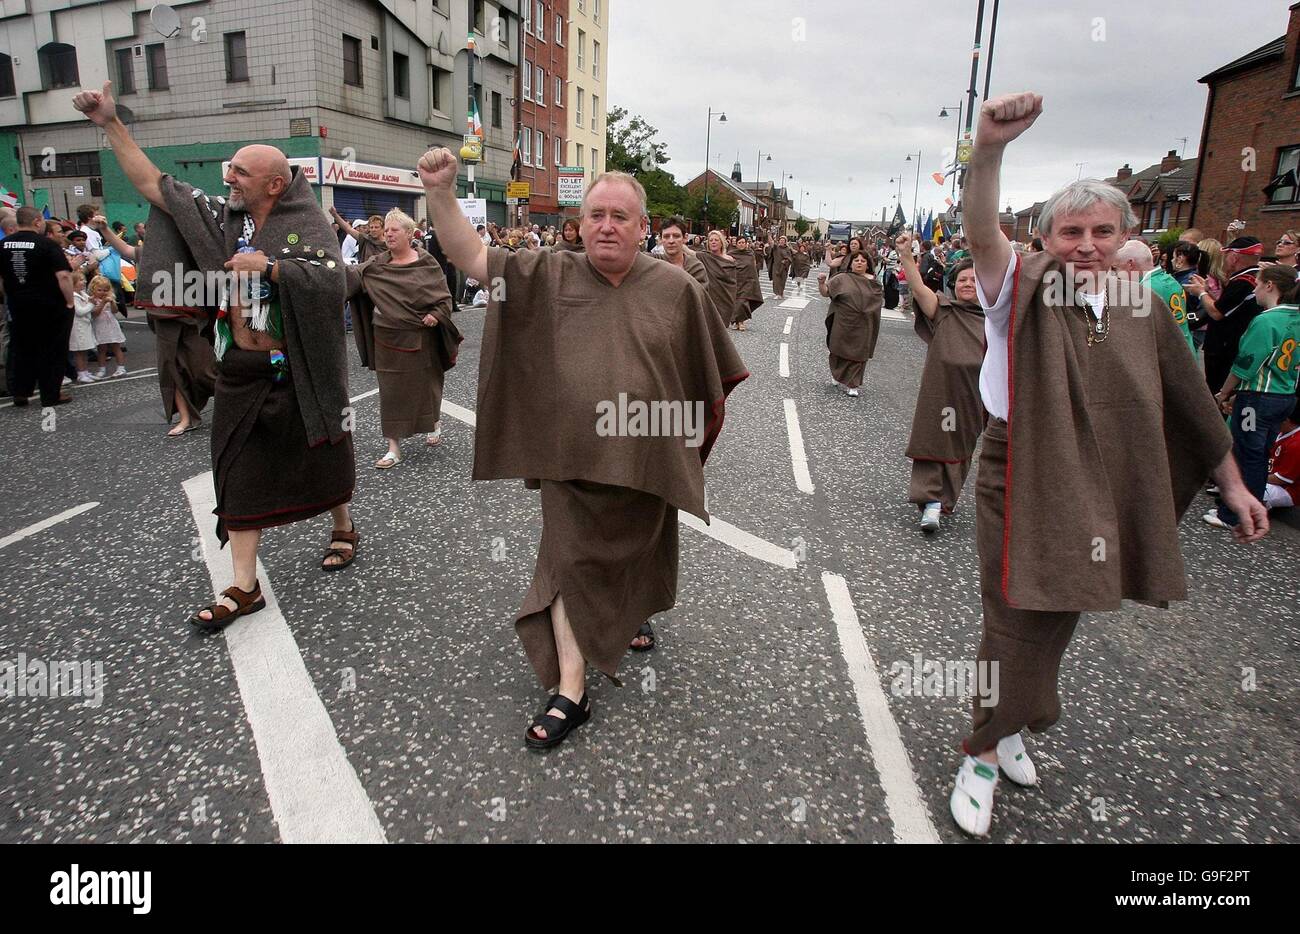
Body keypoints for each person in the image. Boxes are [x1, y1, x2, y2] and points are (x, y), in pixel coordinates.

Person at [952, 91, 1265, 839]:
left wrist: (1233, 486)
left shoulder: (1140, 306)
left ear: (1124, 236)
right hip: (1019, 470)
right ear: (1045, 236)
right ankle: (984, 751)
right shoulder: (1015, 288)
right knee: (1017, 610)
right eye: (1069, 230)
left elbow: (1190, 402)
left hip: (1103, 475)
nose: (1085, 244)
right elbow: (979, 232)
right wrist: (988, 150)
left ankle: (1017, 718)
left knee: (1063, 608)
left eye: (1100, 230)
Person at [418, 149, 748, 749]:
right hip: (569, 457)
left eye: (621, 216)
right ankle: (571, 688)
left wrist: (680, 448)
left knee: (632, 554)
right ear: (581, 219)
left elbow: (708, 381)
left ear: (642, 228)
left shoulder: (676, 289)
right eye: (596, 213)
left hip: (645, 459)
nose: (606, 225)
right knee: (569, 561)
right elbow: (470, 258)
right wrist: (440, 192)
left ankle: (626, 614)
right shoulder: (548, 272)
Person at [75, 79, 357, 628]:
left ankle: (343, 524)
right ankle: (243, 586)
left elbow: (335, 282)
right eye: (230, 169)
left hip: (300, 369)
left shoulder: (307, 223)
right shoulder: (221, 221)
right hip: (241, 369)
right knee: (237, 469)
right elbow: (158, 186)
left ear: (274, 184)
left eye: (240, 172)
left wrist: (273, 269)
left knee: (324, 449)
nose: (228, 177)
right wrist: (110, 123)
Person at [347, 208, 462, 468]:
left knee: (427, 384)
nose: (388, 233)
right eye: (386, 230)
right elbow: (350, 279)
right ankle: (393, 448)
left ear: (409, 234)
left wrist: (436, 313)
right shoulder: (376, 265)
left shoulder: (427, 263)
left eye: (394, 229)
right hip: (386, 338)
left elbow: (443, 297)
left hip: (421, 338)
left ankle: (433, 421)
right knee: (390, 393)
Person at [896, 235, 986, 533]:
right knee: (933, 440)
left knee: (961, 447)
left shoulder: (995, 321)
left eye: (974, 280)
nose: (967, 284)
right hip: (939, 393)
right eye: (962, 280)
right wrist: (906, 256)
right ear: (953, 284)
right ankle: (930, 501)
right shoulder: (943, 309)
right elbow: (919, 289)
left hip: (973, 398)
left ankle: (945, 499)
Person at [97, 214, 215, 435]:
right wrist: (104, 230)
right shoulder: (147, 253)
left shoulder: (190, 248)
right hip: (162, 319)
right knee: (171, 370)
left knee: (205, 369)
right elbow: (125, 250)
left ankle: (235, 405)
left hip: (193, 319)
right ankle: (187, 419)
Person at [1204, 264, 1300, 528]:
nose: (1254, 289)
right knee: (1260, 453)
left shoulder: (1267, 320)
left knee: (1246, 453)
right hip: (1284, 396)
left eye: (1258, 283)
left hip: (1258, 398)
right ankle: (1253, 509)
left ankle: (1235, 513)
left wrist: (1224, 393)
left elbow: (1246, 364)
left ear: (1270, 286)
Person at [0, 206, 75, 407]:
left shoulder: (4, 244)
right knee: (52, 349)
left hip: (18, 304)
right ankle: (50, 394)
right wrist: (69, 301)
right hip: (49, 306)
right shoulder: (46, 245)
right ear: (37, 221)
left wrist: (8, 295)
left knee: (21, 348)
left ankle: (20, 391)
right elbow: (64, 275)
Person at [1186, 237, 1262, 396]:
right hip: (1228, 345)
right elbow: (1226, 308)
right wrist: (1206, 291)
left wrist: (1200, 292)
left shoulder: (1244, 281)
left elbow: (1217, 312)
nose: (1224, 260)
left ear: (1234, 257)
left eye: (1226, 255)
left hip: (1225, 347)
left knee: (1216, 391)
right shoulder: (1252, 277)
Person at [1113, 240, 1197, 355]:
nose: (1116, 275)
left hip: (1169, 357)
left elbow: (1135, 336)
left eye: (1117, 269)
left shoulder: (1144, 290)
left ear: (1130, 264)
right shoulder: (1169, 279)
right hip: (1184, 351)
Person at [817, 250, 880, 398]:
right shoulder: (841, 278)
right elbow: (826, 292)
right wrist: (821, 283)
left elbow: (876, 303)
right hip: (843, 320)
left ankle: (853, 384)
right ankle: (837, 374)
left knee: (859, 353)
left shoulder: (874, 282)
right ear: (850, 263)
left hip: (864, 323)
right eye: (856, 260)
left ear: (867, 265)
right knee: (838, 349)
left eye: (862, 261)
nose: (859, 263)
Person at [695, 229, 740, 329]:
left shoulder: (729, 259)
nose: (713, 242)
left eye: (716, 240)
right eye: (711, 240)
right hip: (709, 298)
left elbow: (733, 283)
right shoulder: (704, 256)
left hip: (725, 299)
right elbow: (689, 253)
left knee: (721, 330)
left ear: (721, 242)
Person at [87, 274, 127, 378]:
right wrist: (102, 303)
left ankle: (121, 368)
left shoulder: (110, 298)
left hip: (111, 325)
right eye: (99, 290)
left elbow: (115, 311)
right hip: (99, 326)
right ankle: (102, 369)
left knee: (116, 347)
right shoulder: (92, 300)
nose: (102, 292)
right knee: (101, 349)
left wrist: (112, 302)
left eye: (105, 290)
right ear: (93, 289)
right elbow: (95, 313)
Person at [1260, 414, 1298, 510]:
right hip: (1270, 479)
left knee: (1247, 488)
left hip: (1289, 490)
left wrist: (1254, 477)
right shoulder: (1281, 432)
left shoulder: (1297, 443)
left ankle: (1234, 519)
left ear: (1286, 420)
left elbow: (1282, 479)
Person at [656, 216, 707, 285]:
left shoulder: (696, 268)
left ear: (685, 238)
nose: (671, 241)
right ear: (661, 239)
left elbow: (700, 295)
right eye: (666, 236)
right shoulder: (653, 262)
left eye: (676, 236)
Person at [68, 271, 98, 383]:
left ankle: (85, 371)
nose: (84, 281)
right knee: (79, 351)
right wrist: (91, 304)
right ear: (73, 283)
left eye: (84, 279)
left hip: (85, 325)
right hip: (78, 327)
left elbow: (90, 299)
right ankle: (81, 373)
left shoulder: (82, 293)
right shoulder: (73, 296)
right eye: (81, 280)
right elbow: (80, 311)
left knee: (85, 350)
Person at [729, 235, 763, 331]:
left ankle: (741, 321)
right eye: (739, 243)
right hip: (735, 281)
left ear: (746, 244)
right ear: (736, 244)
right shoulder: (731, 254)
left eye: (743, 242)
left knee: (743, 302)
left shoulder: (750, 254)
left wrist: (754, 279)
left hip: (747, 281)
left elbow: (753, 267)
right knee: (736, 302)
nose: (741, 244)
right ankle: (736, 321)